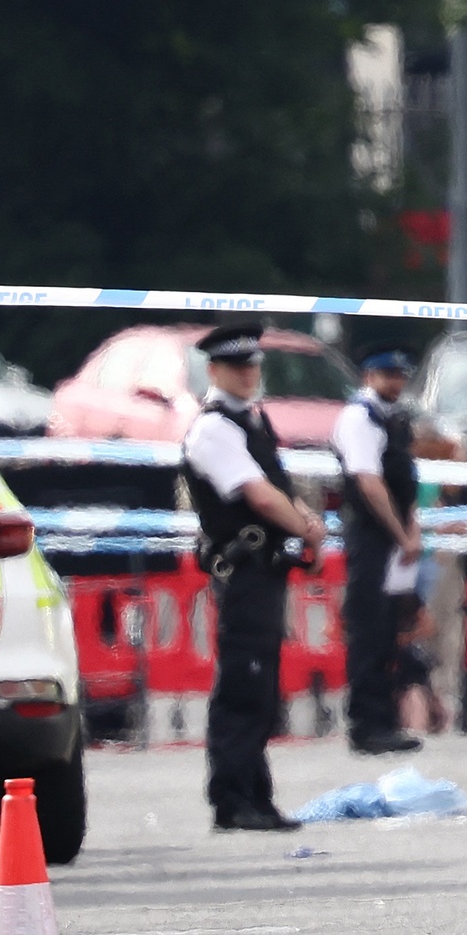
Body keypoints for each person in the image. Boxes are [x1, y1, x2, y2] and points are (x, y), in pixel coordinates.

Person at [181, 324, 327, 832]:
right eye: (238, 366)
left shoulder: (250, 420)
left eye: (253, 365)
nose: (248, 374)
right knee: (242, 686)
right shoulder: (214, 427)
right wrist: (307, 527)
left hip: (265, 573)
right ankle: (232, 797)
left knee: (260, 686)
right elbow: (258, 496)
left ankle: (256, 794)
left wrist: (306, 521)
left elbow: (277, 485)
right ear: (215, 370)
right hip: (242, 571)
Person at [333, 347, 424, 756]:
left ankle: (384, 720)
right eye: (387, 375)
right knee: (368, 630)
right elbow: (369, 483)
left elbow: (406, 483)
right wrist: (401, 534)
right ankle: (366, 724)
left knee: (389, 630)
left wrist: (411, 530)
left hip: (393, 537)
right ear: (368, 376)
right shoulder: (359, 418)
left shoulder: (392, 418)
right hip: (372, 537)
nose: (395, 382)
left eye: (399, 374)